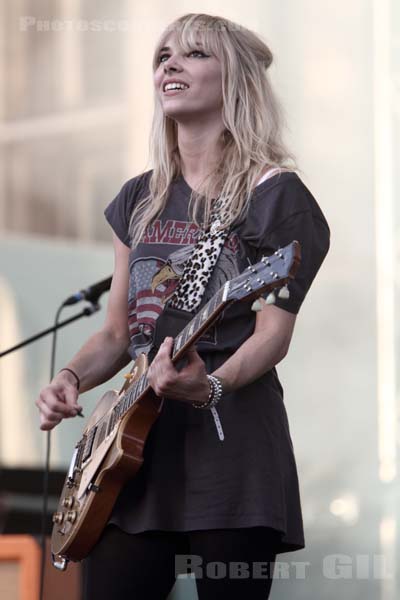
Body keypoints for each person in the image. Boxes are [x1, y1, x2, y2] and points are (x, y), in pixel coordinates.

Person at [36, 12, 330, 600]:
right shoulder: (138, 199)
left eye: (194, 54)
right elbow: (119, 331)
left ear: (235, 80)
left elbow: (273, 334)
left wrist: (210, 386)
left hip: (233, 448)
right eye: (163, 55)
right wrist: (70, 376)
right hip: (132, 454)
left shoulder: (276, 197)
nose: (170, 63)